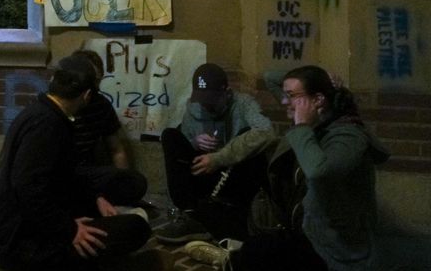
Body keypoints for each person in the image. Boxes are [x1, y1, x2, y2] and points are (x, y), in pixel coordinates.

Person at [184, 65, 390, 271]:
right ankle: (233, 253)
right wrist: (324, 78)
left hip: (336, 248)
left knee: (256, 253)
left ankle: (231, 260)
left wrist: (302, 127)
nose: (284, 101)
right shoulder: (320, 121)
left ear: (318, 100)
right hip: (308, 228)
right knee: (250, 242)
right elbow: (270, 76)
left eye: (291, 95)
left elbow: (320, 172)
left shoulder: (348, 136)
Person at [0, 55, 153, 269]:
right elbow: (28, 186)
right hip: (22, 243)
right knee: (135, 228)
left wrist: (94, 199)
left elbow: (62, 177)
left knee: (109, 209)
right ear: (87, 95)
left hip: (23, 228)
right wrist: (69, 230)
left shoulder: (41, 112)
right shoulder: (48, 124)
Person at [155, 63, 273, 244]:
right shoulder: (194, 108)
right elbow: (184, 147)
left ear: (226, 92)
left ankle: (230, 216)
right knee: (170, 135)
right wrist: (195, 142)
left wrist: (219, 157)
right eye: (202, 100)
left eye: (212, 100)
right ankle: (190, 214)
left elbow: (266, 132)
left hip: (232, 176)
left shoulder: (243, 104)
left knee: (249, 138)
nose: (206, 105)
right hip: (205, 175)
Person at [71, 50, 148, 211]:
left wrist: (123, 179)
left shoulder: (101, 105)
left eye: (98, 80)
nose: (95, 86)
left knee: (136, 183)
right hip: (66, 173)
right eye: (91, 81)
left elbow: (116, 150)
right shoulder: (65, 105)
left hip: (89, 172)